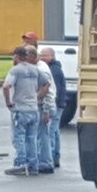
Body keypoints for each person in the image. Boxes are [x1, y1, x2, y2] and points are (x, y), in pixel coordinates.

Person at [2, 45, 49, 176]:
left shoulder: (15, 70)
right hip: (33, 109)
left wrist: (8, 102)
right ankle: (33, 165)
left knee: (19, 138)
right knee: (31, 138)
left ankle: (20, 164)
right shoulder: (35, 70)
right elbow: (46, 83)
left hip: (20, 109)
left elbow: (6, 86)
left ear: (17, 57)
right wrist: (38, 96)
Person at [28, 46, 58, 174]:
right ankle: (44, 161)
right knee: (42, 134)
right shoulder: (38, 67)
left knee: (43, 134)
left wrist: (46, 111)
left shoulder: (41, 69)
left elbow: (48, 92)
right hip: (42, 106)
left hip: (44, 106)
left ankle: (45, 163)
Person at [40, 46, 68, 168]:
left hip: (56, 105)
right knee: (55, 131)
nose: (42, 58)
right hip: (60, 104)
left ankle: (49, 158)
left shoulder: (54, 71)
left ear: (52, 56)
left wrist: (51, 107)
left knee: (50, 131)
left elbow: (53, 90)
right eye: (41, 55)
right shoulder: (55, 68)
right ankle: (56, 157)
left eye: (45, 55)